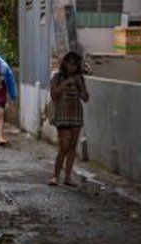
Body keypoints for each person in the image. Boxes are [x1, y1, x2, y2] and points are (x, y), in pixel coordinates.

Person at [48, 51, 90, 187]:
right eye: (71, 64)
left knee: (72, 147)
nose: (73, 67)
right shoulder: (57, 77)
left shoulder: (79, 79)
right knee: (64, 147)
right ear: (65, 63)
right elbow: (54, 94)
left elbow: (85, 98)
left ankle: (68, 177)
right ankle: (55, 175)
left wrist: (81, 85)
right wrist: (66, 83)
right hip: (62, 114)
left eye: (76, 64)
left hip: (76, 114)